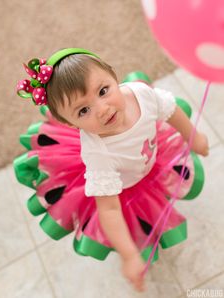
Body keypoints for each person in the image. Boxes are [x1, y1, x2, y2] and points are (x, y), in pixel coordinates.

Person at [14, 48, 209, 292]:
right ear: (69, 123)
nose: (103, 109)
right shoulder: (98, 155)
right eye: (83, 111)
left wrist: (193, 135)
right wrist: (129, 256)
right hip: (124, 187)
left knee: (164, 187)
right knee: (138, 219)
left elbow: (170, 111)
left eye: (103, 91)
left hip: (150, 159)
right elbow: (108, 208)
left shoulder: (140, 95)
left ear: (113, 75)